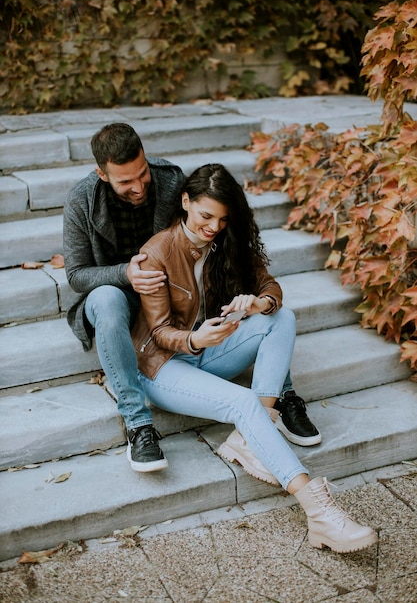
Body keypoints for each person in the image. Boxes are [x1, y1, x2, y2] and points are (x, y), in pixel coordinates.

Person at [131, 163, 377, 553]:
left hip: (211, 350)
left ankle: (251, 436)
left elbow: (271, 288)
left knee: (281, 317)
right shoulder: (157, 252)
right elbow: (159, 332)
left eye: (223, 219)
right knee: (241, 400)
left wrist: (255, 303)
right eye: (205, 215)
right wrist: (196, 338)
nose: (214, 226)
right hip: (163, 367)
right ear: (185, 202)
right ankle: (318, 512)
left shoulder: (228, 242)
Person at [63, 122, 318, 476]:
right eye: (125, 182)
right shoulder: (80, 201)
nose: (137, 187)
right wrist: (126, 274)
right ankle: (137, 423)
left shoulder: (169, 180)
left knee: (269, 308)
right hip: (119, 292)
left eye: (142, 174)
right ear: (101, 174)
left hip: (175, 289)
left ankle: (280, 396)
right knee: (107, 300)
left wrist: (252, 296)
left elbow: (199, 236)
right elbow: (76, 275)